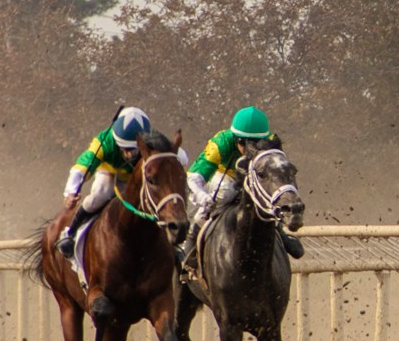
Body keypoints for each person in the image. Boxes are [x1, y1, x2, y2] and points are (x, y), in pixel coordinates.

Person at [175, 105, 304, 272]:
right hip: (224, 178)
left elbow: (277, 172)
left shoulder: (270, 142)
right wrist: (202, 197)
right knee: (226, 191)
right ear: (236, 139)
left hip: (257, 180)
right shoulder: (221, 142)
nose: (251, 149)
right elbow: (194, 176)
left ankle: (282, 234)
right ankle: (190, 251)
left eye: (256, 143)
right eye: (245, 143)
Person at [56, 105, 156, 257]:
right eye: (125, 149)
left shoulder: (152, 142)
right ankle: (70, 233)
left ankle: (172, 243)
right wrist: (70, 192)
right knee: (100, 195)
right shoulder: (104, 143)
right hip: (108, 172)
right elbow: (82, 166)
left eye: (133, 150)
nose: (129, 155)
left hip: (135, 177)